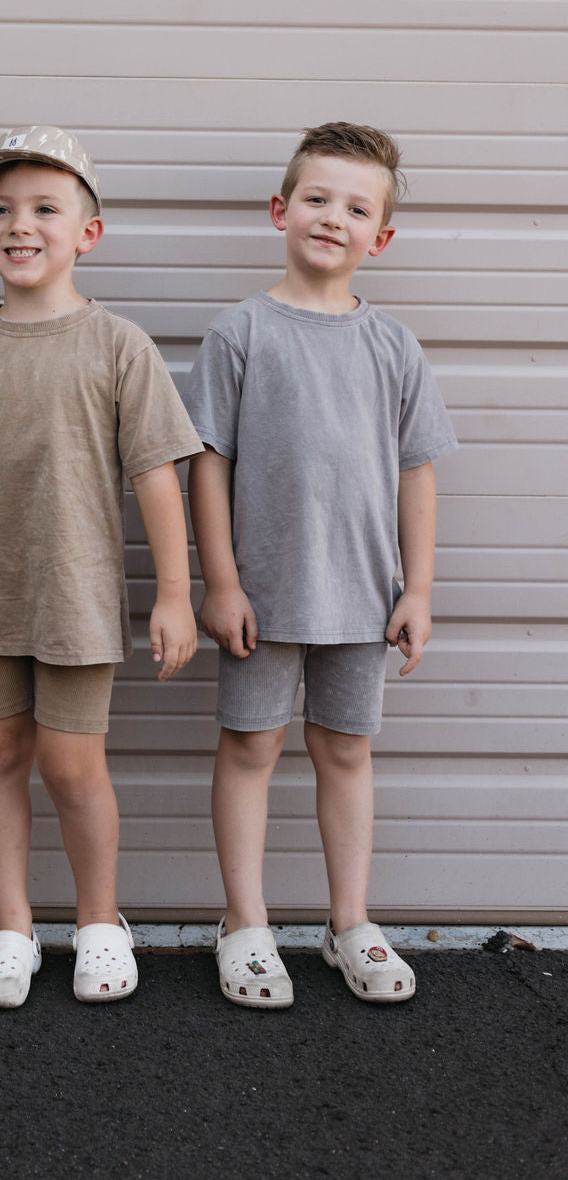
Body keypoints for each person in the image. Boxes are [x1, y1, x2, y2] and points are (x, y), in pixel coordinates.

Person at [186, 122, 457, 1006]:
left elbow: (416, 475)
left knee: (345, 752)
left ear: (379, 236)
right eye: (316, 197)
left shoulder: (394, 347)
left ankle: (350, 923)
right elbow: (208, 462)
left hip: (364, 595)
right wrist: (218, 580)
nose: (331, 217)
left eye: (355, 206)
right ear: (280, 210)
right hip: (262, 595)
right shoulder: (239, 333)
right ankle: (247, 922)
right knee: (252, 747)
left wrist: (417, 587)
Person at [0, 126, 201, 1007]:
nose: (21, 225)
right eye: (0, 210)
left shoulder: (119, 344)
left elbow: (158, 475)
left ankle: (97, 919)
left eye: (46, 208)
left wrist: (174, 594)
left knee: (73, 766)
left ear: (88, 231)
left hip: (79, 597)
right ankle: (12, 926)